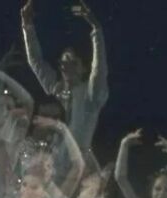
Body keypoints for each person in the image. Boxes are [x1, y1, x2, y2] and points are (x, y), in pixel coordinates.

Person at [21, 0, 108, 156]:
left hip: (78, 164)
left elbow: (99, 69)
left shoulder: (90, 95)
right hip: (52, 163)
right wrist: (27, 25)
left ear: (84, 68)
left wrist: (96, 28)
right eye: (63, 62)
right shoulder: (56, 89)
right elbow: (36, 61)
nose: (66, 66)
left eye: (72, 62)